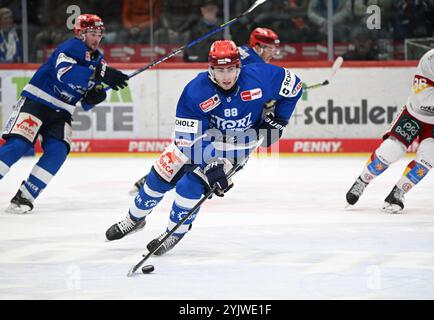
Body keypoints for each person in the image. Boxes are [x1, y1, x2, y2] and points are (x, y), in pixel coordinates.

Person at [106, 40, 302, 256]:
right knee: (159, 177)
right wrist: (210, 163)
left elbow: (294, 86)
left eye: (230, 69)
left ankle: (174, 232)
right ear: (211, 68)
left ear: (239, 67)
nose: (226, 76)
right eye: (220, 70)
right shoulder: (196, 90)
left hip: (236, 144)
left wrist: (279, 121)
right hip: (200, 139)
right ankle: (133, 219)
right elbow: (187, 137)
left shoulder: (260, 76)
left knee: (189, 186)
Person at [0, 14, 129, 213]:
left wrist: (94, 95)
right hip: (37, 102)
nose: (96, 38)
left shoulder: (98, 59)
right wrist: (100, 74)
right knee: (18, 145)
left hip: (62, 112)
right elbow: (65, 73)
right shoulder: (71, 47)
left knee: (58, 150)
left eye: (99, 34)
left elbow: (85, 98)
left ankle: (25, 196)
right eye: (92, 33)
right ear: (80, 33)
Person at [129, 28, 281, 194]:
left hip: (221, 123)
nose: (272, 52)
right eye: (269, 48)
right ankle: (163, 181)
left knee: (191, 154)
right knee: (198, 154)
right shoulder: (253, 65)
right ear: (258, 47)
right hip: (223, 125)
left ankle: (156, 179)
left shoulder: (242, 52)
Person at [345, 22, 434, 213]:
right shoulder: (432, 59)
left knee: (431, 156)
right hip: (416, 113)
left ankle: (398, 192)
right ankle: (363, 180)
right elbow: (422, 96)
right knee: (390, 151)